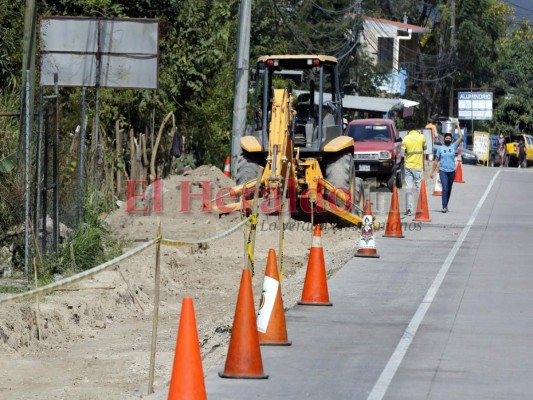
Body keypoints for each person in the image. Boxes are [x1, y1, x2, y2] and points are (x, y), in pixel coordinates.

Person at [430, 126, 463, 213]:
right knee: (444, 188)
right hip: (443, 171)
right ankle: (444, 206)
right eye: (446, 138)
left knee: (449, 189)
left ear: (451, 139)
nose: (448, 139)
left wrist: (458, 126)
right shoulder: (440, 149)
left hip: (452, 172)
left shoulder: (453, 147)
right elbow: (436, 160)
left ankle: (446, 204)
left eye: (449, 138)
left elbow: (460, 137)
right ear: (444, 139)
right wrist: (432, 172)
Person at [401, 122, 426, 216]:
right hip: (419, 166)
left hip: (409, 167)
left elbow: (403, 154)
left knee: (409, 188)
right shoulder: (422, 137)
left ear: (408, 130)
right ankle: (422, 207)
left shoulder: (405, 139)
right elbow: (425, 148)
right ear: (416, 129)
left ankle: (409, 210)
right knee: (419, 188)